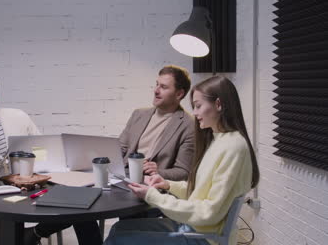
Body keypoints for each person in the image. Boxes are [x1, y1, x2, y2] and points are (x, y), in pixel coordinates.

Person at [105, 76, 260, 245]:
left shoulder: (233, 147)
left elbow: (209, 212)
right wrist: (167, 184)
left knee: (118, 238)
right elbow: (201, 191)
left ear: (218, 104)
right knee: (118, 228)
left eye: (198, 106)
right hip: (194, 228)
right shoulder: (219, 140)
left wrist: (152, 196)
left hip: (205, 238)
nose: (195, 113)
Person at [0, 75, 102, 245]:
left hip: (34, 185)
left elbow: (43, 151)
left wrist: (32, 175)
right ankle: (29, 235)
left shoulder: (18, 117)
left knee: (81, 205)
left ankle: (34, 233)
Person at [119, 65, 194, 181]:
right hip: (124, 177)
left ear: (179, 94)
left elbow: (183, 172)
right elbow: (120, 148)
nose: (156, 90)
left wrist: (158, 171)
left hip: (153, 185)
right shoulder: (138, 114)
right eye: (157, 84)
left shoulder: (189, 126)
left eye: (163, 87)